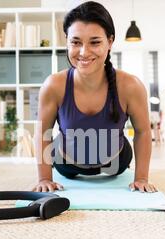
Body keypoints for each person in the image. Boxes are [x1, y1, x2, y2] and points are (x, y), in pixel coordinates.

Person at [33, 1, 157, 194]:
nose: (84, 52)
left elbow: (142, 131)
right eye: (76, 42)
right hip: (66, 164)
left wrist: (141, 178)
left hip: (117, 161)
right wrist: (44, 178)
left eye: (95, 42)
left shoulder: (131, 86)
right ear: (66, 41)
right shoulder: (53, 85)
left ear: (110, 41)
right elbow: (43, 133)